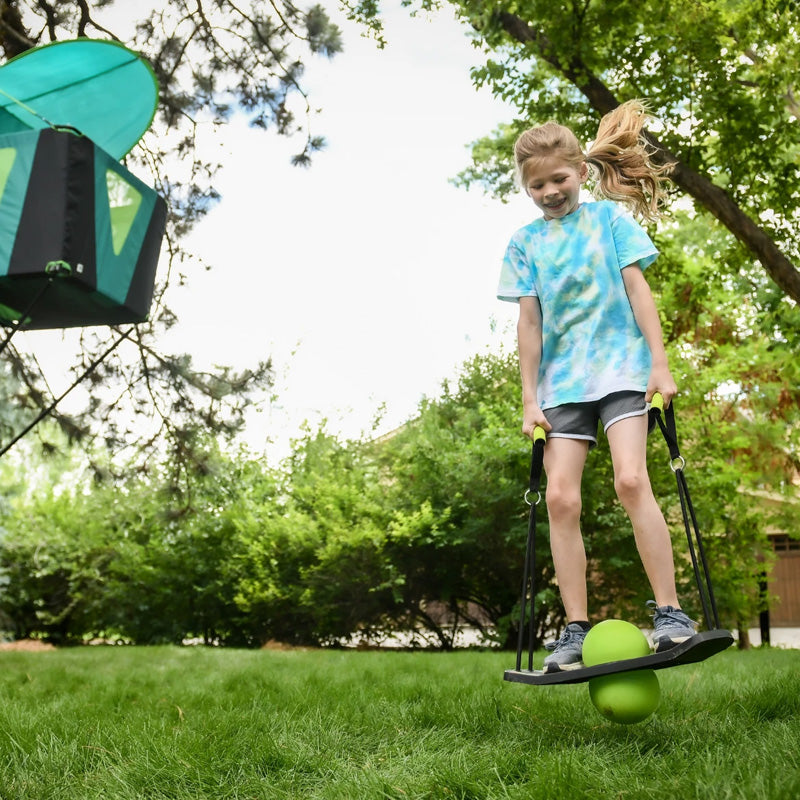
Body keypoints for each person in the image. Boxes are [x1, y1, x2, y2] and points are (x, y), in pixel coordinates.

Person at [497, 100, 696, 673]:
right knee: (560, 498)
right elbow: (529, 324)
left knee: (632, 481)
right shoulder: (524, 244)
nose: (549, 192)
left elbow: (638, 292)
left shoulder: (609, 221)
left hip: (623, 369)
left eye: (558, 179)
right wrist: (529, 399)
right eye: (537, 185)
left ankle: (671, 614)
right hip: (561, 386)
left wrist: (660, 364)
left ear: (581, 172)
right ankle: (575, 629)